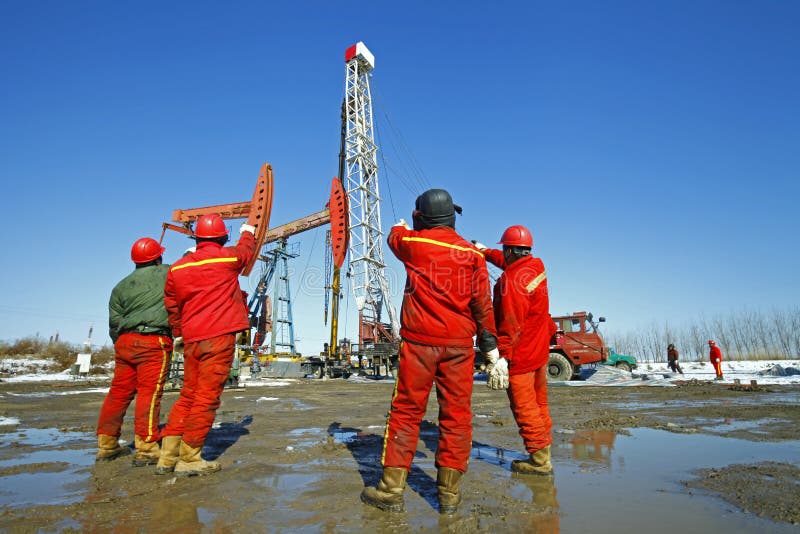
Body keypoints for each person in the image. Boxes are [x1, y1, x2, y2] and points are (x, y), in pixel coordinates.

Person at [360, 189, 497, 515]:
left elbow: (395, 238)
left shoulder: (415, 245)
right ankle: (449, 496)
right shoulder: (474, 256)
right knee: (457, 417)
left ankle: (391, 490)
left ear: (422, 217)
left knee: (406, 413)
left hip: (419, 345)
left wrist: (402, 225)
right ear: (451, 216)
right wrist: (490, 344)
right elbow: (482, 305)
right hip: (460, 348)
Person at [156, 214, 257, 476]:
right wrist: (248, 231)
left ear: (196, 237)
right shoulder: (226, 258)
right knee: (206, 396)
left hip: (191, 339)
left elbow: (172, 305)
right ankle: (190, 458)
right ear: (223, 236)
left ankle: (167, 456)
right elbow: (246, 252)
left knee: (188, 394)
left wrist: (179, 333)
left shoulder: (177, 268)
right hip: (219, 336)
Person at [475, 225, 557, 476]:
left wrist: (503, 358)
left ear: (510, 250)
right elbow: (509, 263)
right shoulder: (534, 266)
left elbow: (511, 325)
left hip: (521, 355)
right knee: (539, 404)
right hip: (539, 351)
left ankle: (540, 461)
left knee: (524, 408)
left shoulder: (512, 283)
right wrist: (485, 252)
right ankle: (544, 452)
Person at [96, 237, 173, 466]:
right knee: (149, 394)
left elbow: (114, 322)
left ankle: (107, 443)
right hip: (154, 342)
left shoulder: (120, 286)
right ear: (159, 257)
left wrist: (120, 343)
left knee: (118, 392)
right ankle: (147, 448)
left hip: (124, 343)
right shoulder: (168, 273)